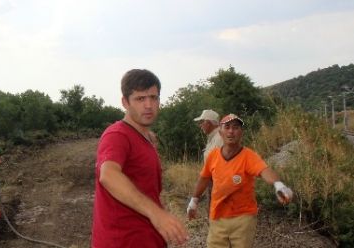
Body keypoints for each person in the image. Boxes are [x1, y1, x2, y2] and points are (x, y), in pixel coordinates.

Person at [92, 69, 189, 248]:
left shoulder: (142, 136)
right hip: (122, 242)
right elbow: (108, 175)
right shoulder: (117, 135)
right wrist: (156, 214)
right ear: (125, 102)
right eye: (140, 98)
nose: (148, 105)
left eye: (154, 97)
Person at [186, 114, 294, 248]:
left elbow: (264, 170)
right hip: (217, 217)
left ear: (241, 133)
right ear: (221, 132)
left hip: (243, 218)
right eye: (227, 127)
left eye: (236, 127)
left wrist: (279, 185)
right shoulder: (213, 156)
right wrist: (194, 201)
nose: (231, 131)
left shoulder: (248, 156)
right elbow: (204, 178)